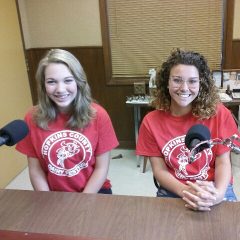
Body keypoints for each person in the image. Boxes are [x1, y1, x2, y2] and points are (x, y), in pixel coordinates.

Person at [136, 48, 240, 211]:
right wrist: (187, 192)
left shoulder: (219, 114)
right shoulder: (151, 122)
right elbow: (159, 170)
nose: (184, 88)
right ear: (166, 82)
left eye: (192, 81)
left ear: (201, 83)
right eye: (177, 80)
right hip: (175, 189)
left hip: (214, 187)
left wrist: (218, 195)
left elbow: (223, 162)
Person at [16, 49, 119, 194]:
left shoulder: (98, 115)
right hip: (53, 194)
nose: (60, 89)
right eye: (51, 82)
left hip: (94, 191)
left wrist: (82, 201)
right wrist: (48, 199)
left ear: (78, 81)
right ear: (43, 85)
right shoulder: (31, 117)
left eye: (68, 80)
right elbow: (35, 169)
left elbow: (101, 168)